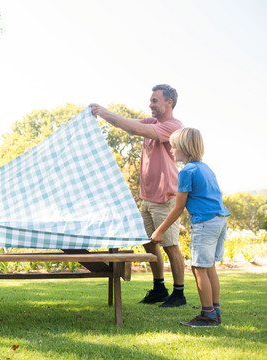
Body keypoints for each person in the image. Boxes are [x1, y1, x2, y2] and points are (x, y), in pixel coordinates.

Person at [90, 84, 187, 307]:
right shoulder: (151, 122)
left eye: (155, 100)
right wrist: (103, 114)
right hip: (148, 198)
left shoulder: (174, 126)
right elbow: (130, 125)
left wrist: (104, 112)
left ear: (169, 103)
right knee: (148, 243)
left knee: (170, 245)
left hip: (167, 197)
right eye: (150, 100)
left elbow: (136, 130)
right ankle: (159, 288)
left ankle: (179, 294)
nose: (150, 104)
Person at [152, 128, 230, 327]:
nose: (171, 150)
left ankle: (208, 316)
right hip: (219, 220)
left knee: (199, 269)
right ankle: (215, 311)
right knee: (209, 267)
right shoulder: (205, 168)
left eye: (174, 146)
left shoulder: (187, 171)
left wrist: (160, 230)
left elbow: (178, 207)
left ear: (184, 148)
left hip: (204, 223)